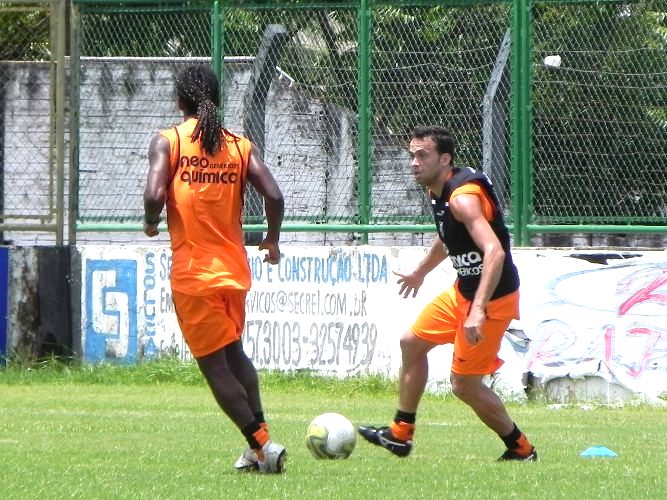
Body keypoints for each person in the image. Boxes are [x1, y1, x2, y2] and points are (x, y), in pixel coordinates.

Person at [358, 125, 537, 462]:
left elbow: (495, 252)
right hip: (462, 291)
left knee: (463, 385)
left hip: (492, 299)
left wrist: (478, 310)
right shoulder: (436, 191)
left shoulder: (462, 198)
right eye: (412, 155)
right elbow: (447, 237)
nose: (414, 162)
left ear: (445, 159)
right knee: (411, 342)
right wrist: (419, 273)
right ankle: (400, 434)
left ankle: (521, 448)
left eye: (422, 155)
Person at [143, 64, 286, 473]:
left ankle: (263, 446)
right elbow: (274, 196)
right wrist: (271, 239)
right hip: (234, 271)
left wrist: (152, 221)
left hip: (194, 275)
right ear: (216, 99)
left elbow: (154, 194)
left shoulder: (168, 141)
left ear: (179, 100)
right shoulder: (239, 146)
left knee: (215, 369)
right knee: (235, 355)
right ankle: (258, 450)